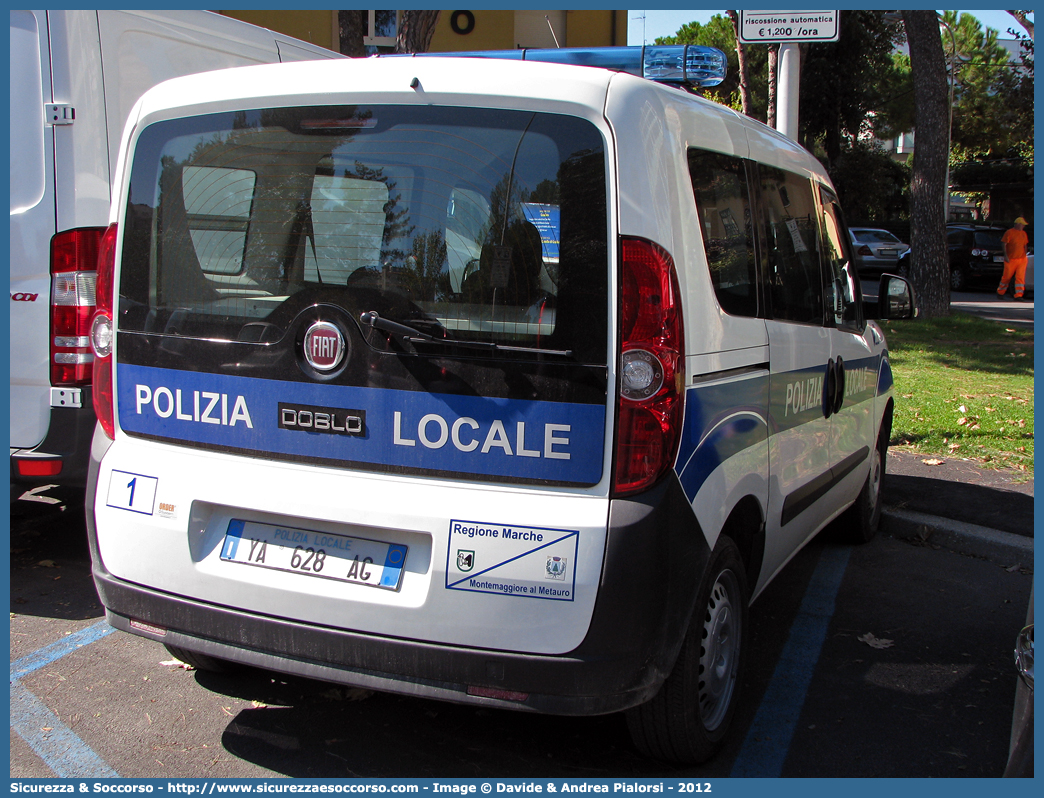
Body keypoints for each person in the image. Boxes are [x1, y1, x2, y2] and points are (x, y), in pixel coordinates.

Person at [997, 217, 1030, 300]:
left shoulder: (1023, 233)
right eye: (1022, 225)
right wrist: (1005, 256)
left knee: (1020, 278)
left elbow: (1025, 245)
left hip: (1022, 259)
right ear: (1018, 224)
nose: (1023, 226)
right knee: (1007, 277)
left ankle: (1019, 295)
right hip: (1011, 259)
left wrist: (1025, 255)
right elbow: (1004, 244)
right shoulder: (1009, 232)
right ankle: (1000, 292)